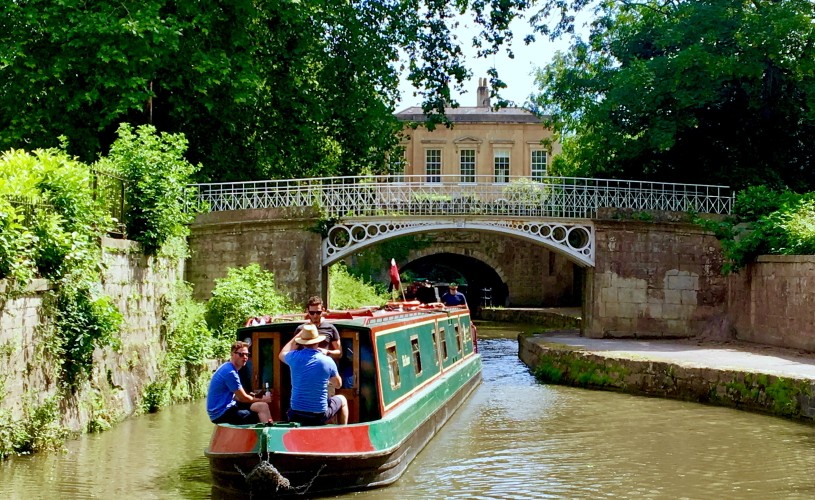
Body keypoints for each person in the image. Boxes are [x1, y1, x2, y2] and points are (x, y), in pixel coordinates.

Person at [279, 324, 349, 426]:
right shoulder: (327, 361)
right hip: (318, 416)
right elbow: (338, 384)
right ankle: (343, 431)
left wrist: (298, 335)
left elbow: (282, 353)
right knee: (342, 399)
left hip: (296, 414)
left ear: (302, 343)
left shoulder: (294, 357)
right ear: (318, 342)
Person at [207, 341, 272, 425]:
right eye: (241, 354)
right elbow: (242, 398)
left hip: (228, 407)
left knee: (262, 406)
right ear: (232, 354)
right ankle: (263, 435)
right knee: (252, 416)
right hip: (220, 414)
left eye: (247, 355)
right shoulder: (230, 372)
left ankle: (269, 432)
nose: (245, 357)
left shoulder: (230, 368)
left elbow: (237, 397)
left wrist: (256, 398)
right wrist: (263, 399)